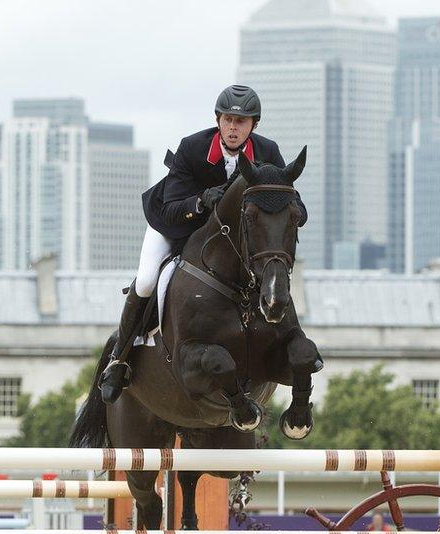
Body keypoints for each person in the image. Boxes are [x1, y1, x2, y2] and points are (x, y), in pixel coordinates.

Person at [99, 84, 307, 403]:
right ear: (218, 120)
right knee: (146, 280)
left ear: (254, 125)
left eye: (241, 122)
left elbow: (285, 197)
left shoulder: (268, 152)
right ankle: (119, 358)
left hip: (231, 238)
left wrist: (296, 211)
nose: (233, 128)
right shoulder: (193, 148)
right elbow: (170, 206)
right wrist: (199, 202)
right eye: (227, 120)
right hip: (177, 222)